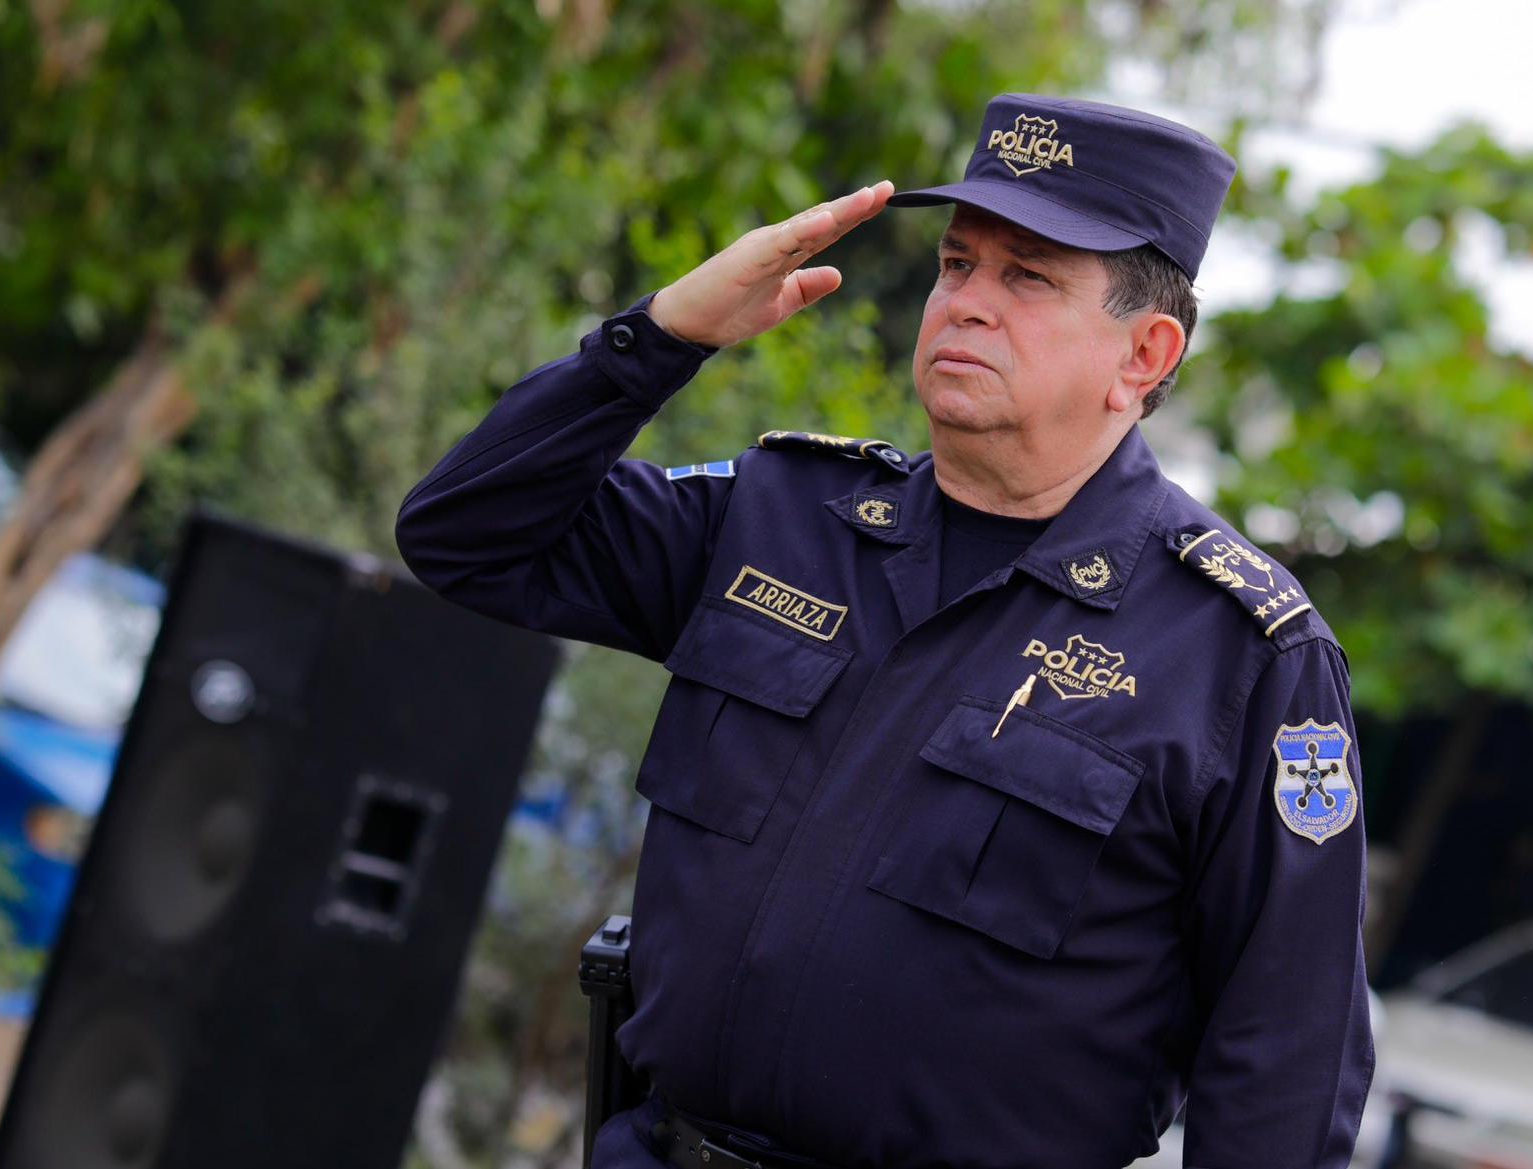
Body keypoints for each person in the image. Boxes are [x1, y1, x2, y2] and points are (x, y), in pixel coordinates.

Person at [395, 93, 1374, 1169]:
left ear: (1144, 354)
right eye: (958, 264)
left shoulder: (1238, 652)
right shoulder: (784, 514)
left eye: (1029, 277)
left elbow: (1288, 1054)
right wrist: (660, 338)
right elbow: (465, 535)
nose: (967, 303)